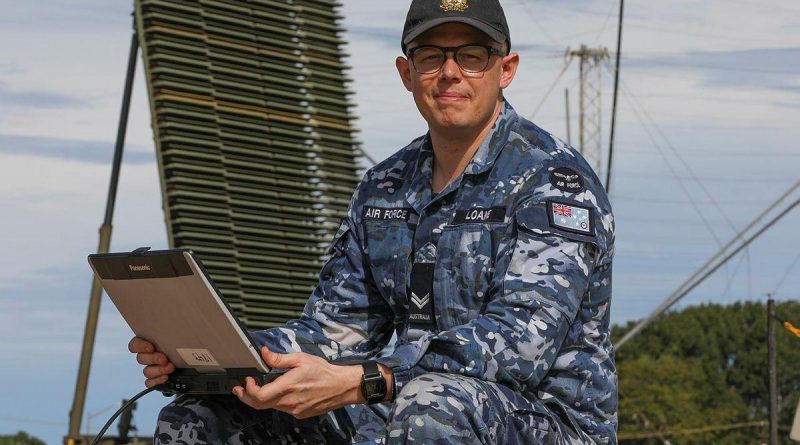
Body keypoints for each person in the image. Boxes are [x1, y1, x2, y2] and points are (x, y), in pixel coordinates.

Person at [130, 0, 617, 443]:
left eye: (471, 55)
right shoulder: (385, 186)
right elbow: (332, 331)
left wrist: (366, 380)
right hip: (400, 403)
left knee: (431, 404)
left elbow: (519, 345)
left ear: (505, 69)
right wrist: (226, 356)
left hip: (547, 422)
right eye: (430, 56)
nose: (449, 73)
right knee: (203, 414)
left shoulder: (552, 179)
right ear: (407, 73)